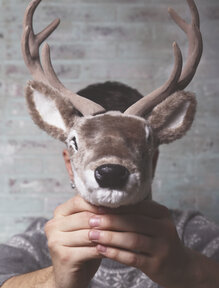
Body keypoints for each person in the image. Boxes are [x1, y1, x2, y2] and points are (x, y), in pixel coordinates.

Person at [0, 81, 219, 288]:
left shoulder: (194, 233)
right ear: (70, 164)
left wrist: (189, 270)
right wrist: (54, 281)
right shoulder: (42, 240)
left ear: (151, 161)